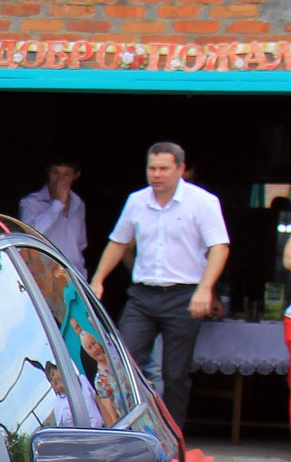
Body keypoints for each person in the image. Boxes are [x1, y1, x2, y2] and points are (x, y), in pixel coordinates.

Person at [92, 140, 230, 426]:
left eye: (164, 169)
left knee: (175, 373)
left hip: (183, 293)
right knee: (123, 362)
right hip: (142, 295)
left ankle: (174, 438)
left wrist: (205, 289)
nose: (157, 174)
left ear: (180, 169)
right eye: (152, 168)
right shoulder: (137, 200)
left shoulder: (203, 202)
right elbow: (118, 243)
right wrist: (98, 280)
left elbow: (220, 247)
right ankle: (126, 428)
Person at [19, 155, 87, 262]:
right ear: (48, 172)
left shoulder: (79, 204)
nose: (60, 180)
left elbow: (80, 244)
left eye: (66, 175)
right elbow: (28, 236)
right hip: (43, 274)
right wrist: (57, 205)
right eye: (55, 173)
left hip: (74, 274)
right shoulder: (30, 203)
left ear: (75, 176)